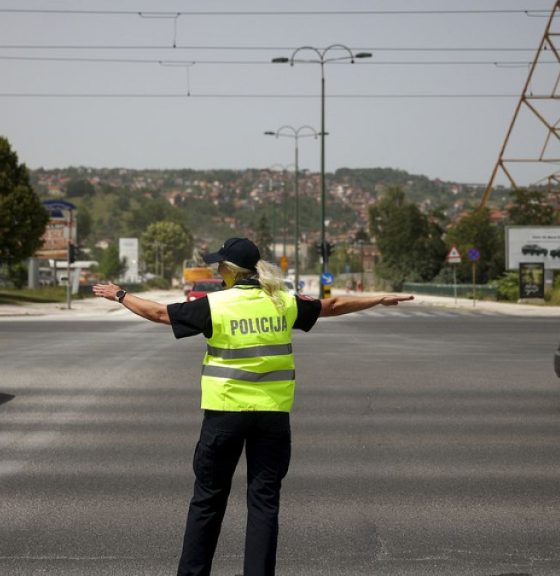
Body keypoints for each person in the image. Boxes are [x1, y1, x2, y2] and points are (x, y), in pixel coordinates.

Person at [92, 237, 413, 576]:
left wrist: (121, 294)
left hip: (225, 416)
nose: (217, 269)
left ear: (230, 270)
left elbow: (159, 313)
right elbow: (330, 307)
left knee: (208, 500)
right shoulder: (282, 302)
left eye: (220, 265)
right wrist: (378, 298)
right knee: (264, 504)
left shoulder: (216, 304)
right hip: (272, 418)